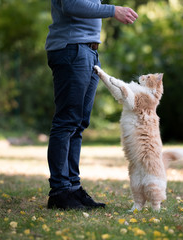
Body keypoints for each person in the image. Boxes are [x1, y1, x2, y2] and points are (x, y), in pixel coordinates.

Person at [45, 0, 138, 210]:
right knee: (66, 122)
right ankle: (59, 191)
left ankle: (72, 188)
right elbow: (71, 5)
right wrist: (113, 10)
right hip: (72, 49)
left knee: (78, 125)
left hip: (88, 50)